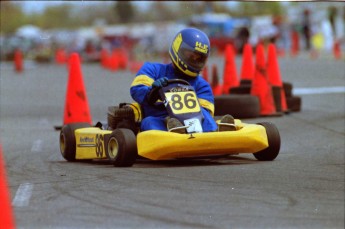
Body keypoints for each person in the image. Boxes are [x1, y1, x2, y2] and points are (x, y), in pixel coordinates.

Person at [130, 28, 234, 133]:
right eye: (191, 55)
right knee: (148, 122)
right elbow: (136, 90)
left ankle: (216, 132)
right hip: (160, 120)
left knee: (205, 117)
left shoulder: (202, 85)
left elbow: (207, 112)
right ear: (178, 48)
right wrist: (152, 91)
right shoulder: (152, 70)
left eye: (199, 58)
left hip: (193, 123)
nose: (194, 60)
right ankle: (175, 131)